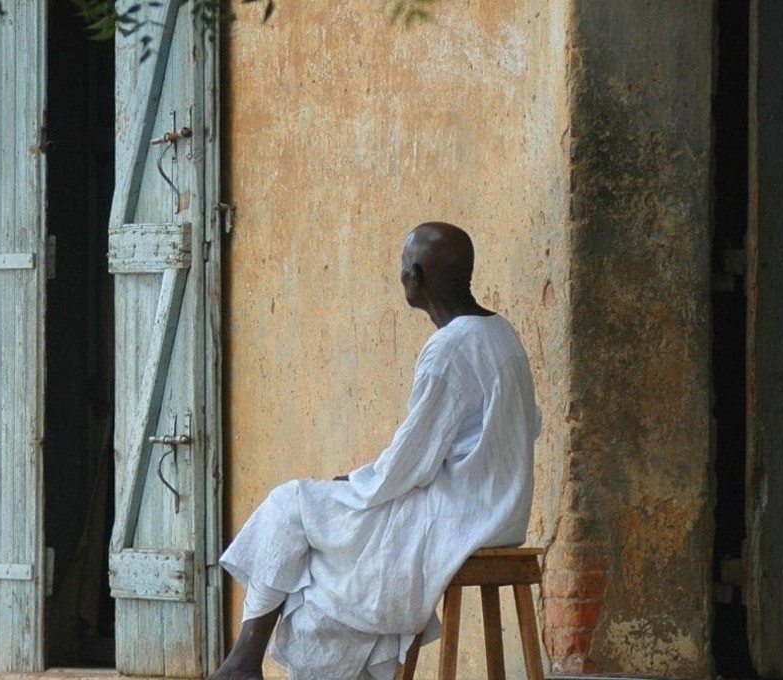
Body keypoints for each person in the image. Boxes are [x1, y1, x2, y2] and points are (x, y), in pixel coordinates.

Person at [210, 222, 542, 680]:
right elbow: (529, 425)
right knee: (326, 563)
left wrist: (358, 482)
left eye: (404, 267)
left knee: (290, 504)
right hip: (503, 511)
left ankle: (242, 662)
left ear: (416, 277)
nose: (401, 275)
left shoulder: (448, 349)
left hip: (461, 513)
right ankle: (243, 663)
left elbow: (412, 460)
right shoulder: (502, 334)